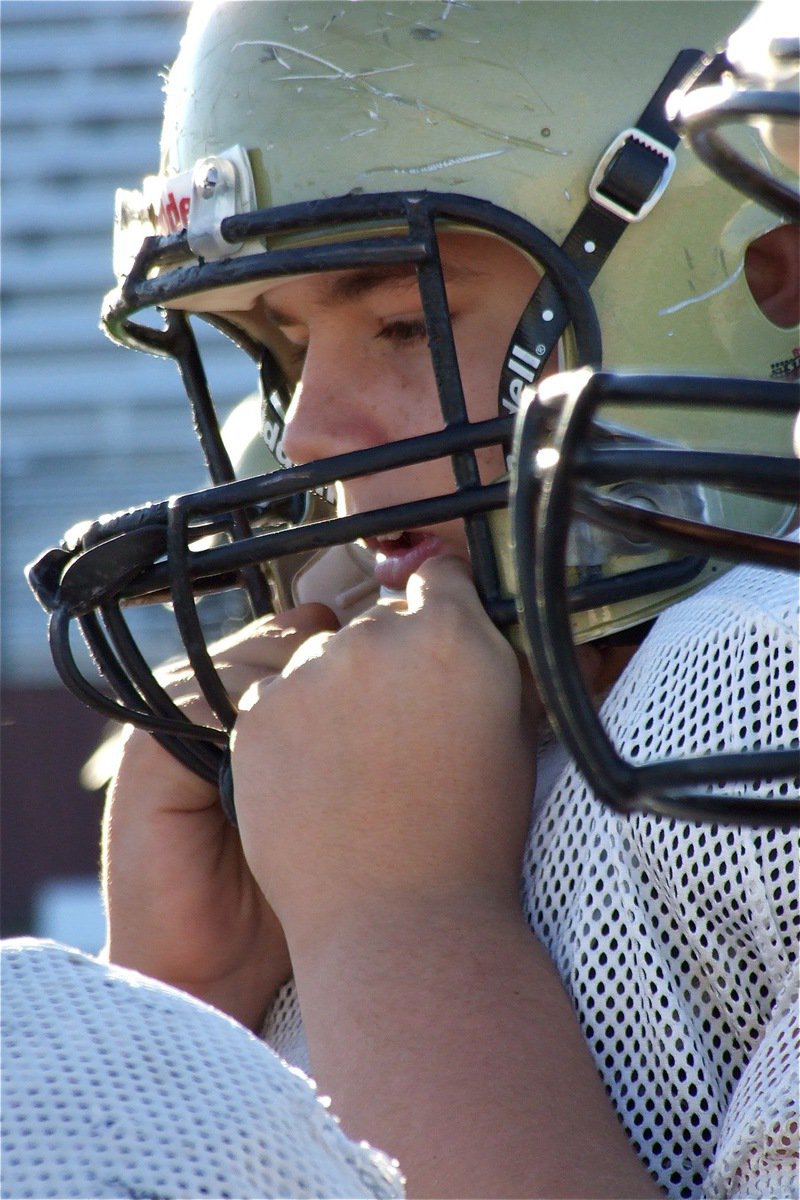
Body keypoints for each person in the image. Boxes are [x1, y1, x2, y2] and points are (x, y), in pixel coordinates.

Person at [4, 2, 798, 1198]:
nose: (306, 432)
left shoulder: (748, 686)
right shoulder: (372, 768)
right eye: (281, 347)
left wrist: (404, 929)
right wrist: (186, 1017)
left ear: (765, 278)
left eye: (395, 320)